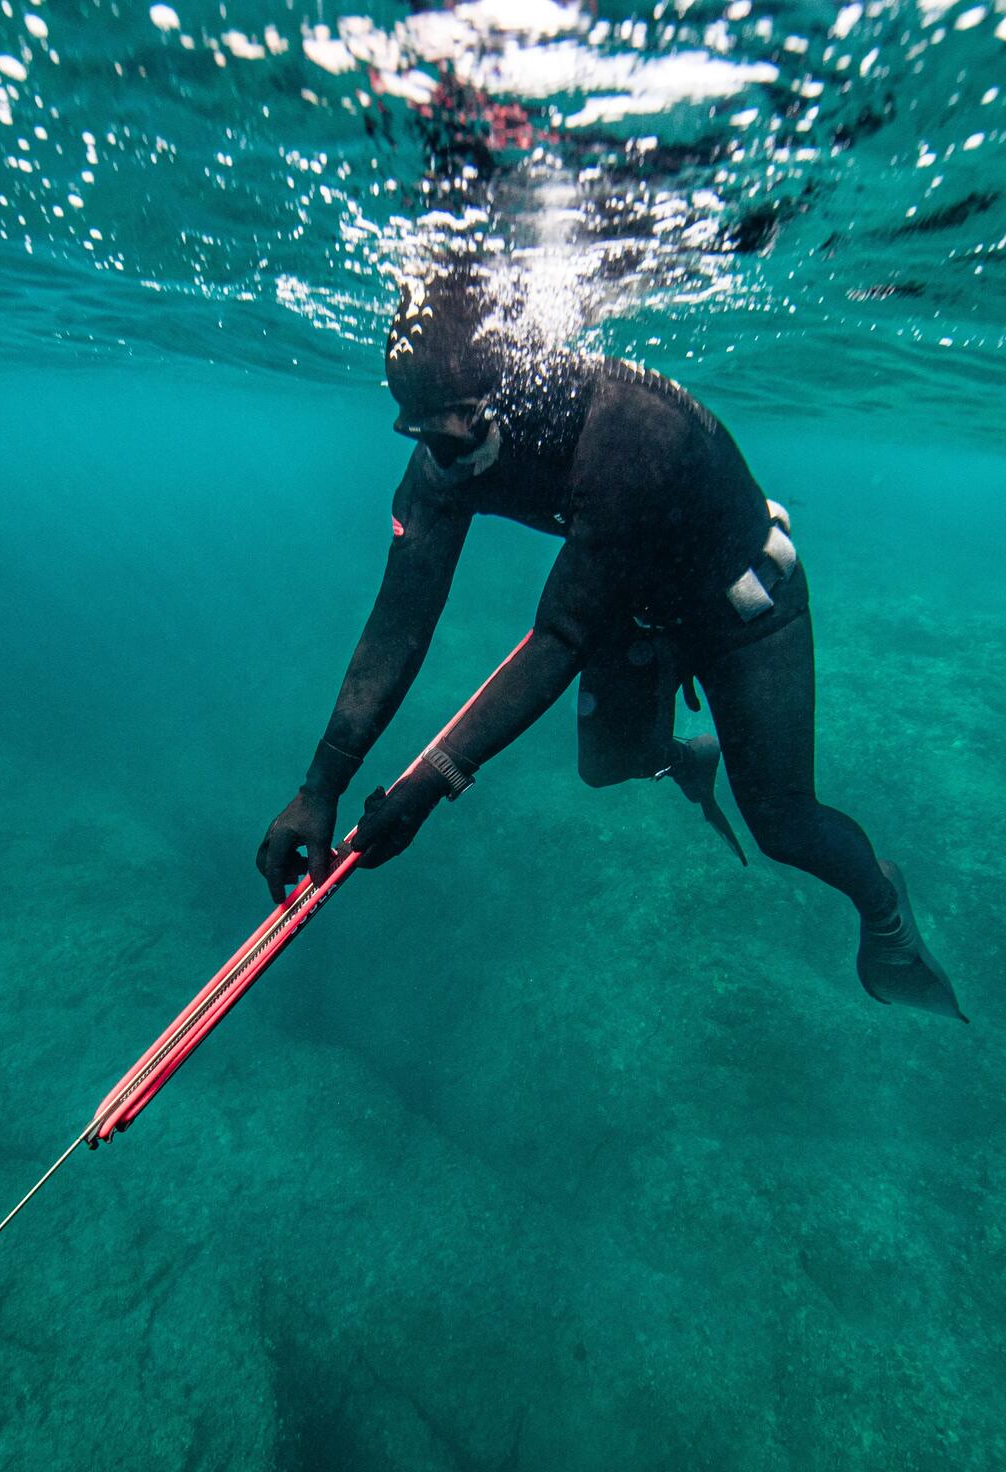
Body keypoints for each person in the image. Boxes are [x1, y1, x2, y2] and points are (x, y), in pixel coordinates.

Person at [256, 265, 967, 1021]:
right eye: (422, 433)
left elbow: (560, 637)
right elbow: (402, 616)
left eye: (457, 430)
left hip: (744, 610)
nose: (442, 457)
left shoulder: (633, 431)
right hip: (636, 603)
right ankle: (684, 754)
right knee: (610, 767)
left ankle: (885, 909)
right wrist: (319, 787)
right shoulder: (446, 441)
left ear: (517, 391)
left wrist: (426, 788)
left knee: (783, 825)